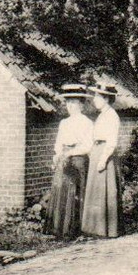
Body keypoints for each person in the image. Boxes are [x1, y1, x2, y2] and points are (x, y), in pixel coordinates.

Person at [44, 83, 93, 239]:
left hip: (78, 161)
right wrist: (58, 154)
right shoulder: (64, 123)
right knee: (61, 191)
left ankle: (74, 229)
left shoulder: (86, 122)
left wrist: (71, 153)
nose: (70, 106)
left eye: (74, 102)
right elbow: (58, 143)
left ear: (81, 104)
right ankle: (58, 229)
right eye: (68, 102)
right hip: (64, 161)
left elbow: (88, 146)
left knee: (76, 193)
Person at [81, 80, 123, 238]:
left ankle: (107, 228)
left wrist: (103, 159)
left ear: (106, 99)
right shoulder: (101, 116)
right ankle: (95, 227)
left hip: (105, 154)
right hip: (97, 151)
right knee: (95, 190)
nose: (94, 100)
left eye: (97, 97)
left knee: (104, 190)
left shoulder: (112, 116)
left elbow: (111, 141)